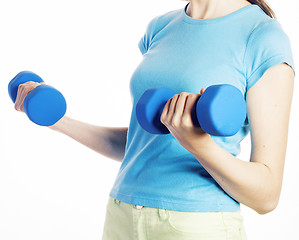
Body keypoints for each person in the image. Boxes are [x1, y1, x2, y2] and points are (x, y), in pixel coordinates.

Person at [14, 0, 295, 239]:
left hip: (196, 224)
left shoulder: (261, 37)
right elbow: (141, 144)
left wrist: (198, 145)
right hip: (122, 213)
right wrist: (58, 122)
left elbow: (266, 196)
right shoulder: (161, 27)